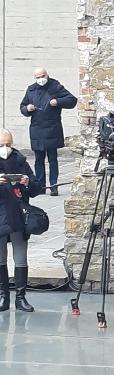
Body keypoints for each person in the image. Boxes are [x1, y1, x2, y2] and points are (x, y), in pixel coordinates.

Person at [0, 129, 42, 312]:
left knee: (20, 256)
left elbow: (36, 187)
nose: (5, 148)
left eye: (8, 144)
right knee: (0, 257)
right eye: (2, 144)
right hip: (0, 213)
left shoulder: (20, 160)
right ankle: (3, 296)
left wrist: (26, 182)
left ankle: (20, 297)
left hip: (18, 213)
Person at [19, 67, 77, 196]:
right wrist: (27, 108)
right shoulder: (31, 89)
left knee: (52, 158)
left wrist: (58, 101)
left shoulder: (55, 86)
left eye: (42, 76)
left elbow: (72, 100)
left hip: (52, 128)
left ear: (47, 75)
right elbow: (22, 107)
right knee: (38, 159)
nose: (41, 79)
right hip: (37, 129)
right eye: (38, 77)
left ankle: (53, 185)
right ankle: (40, 186)